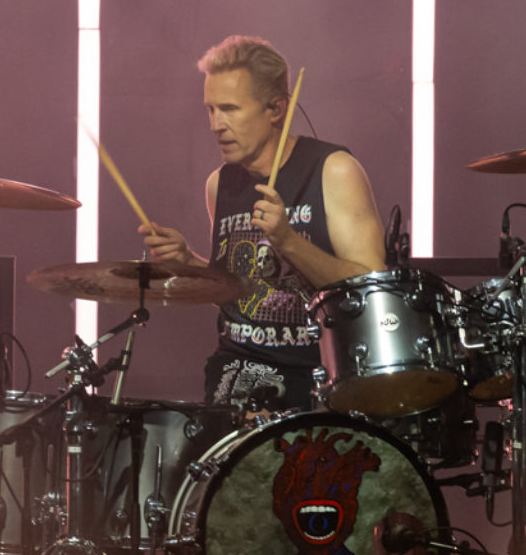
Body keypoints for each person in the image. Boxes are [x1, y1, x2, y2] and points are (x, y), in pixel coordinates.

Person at [140, 35, 385, 411]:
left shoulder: (333, 170)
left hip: (318, 379)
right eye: (210, 109)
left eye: (230, 109)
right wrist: (187, 262)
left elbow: (371, 291)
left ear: (275, 108)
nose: (216, 124)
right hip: (237, 374)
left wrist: (289, 242)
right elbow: (243, 297)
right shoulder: (219, 184)